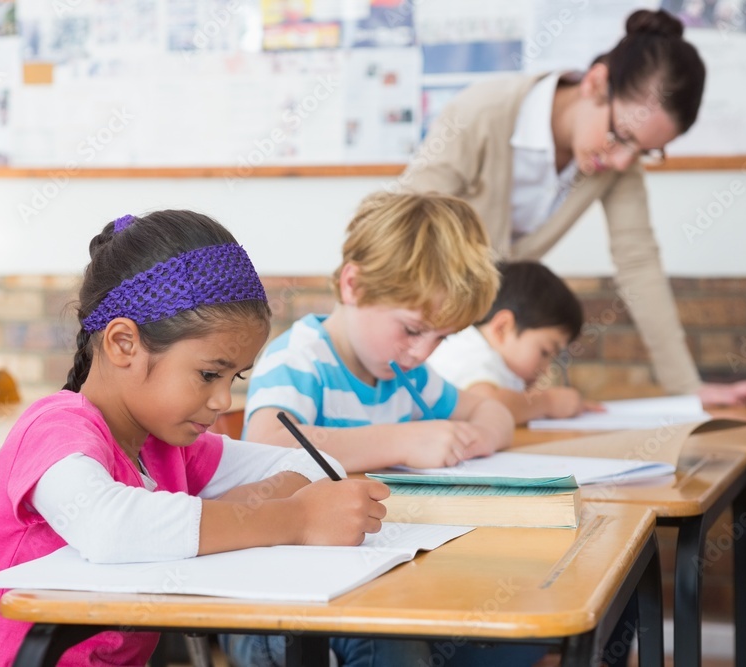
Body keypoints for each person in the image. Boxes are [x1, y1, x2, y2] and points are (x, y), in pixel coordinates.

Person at [0, 211, 395, 666]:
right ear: (124, 344)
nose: (223, 399)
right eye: (209, 374)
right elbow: (111, 528)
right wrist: (292, 518)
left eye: (234, 377)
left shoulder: (167, 447)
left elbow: (314, 467)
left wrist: (241, 512)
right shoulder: (53, 428)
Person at [225, 192, 544, 667]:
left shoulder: (407, 375)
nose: (423, 352)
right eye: (414, 330)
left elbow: (492, 410)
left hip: (386, 581)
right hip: (286, 606)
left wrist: (477, 434)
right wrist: (404, 439)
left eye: (442, 338)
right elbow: (269, 441)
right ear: (354, 285)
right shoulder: (298, 359)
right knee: (397, 641)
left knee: (530, 630)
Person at [397, 8, 746, 409]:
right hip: (417, 323)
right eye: (623, 136)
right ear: (595, 83)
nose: (625, 162)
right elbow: (404, 228)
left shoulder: (615, 164)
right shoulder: (482, 114)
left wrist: (687, 389)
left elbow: (638, 263)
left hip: (483, 337)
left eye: (646, 152)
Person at [428, 260, 603, 425]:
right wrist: (547, 403)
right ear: (502, 328)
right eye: (545, 352)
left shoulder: (498, 363)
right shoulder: (469, 349)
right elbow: (487, 404)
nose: (547, 368)